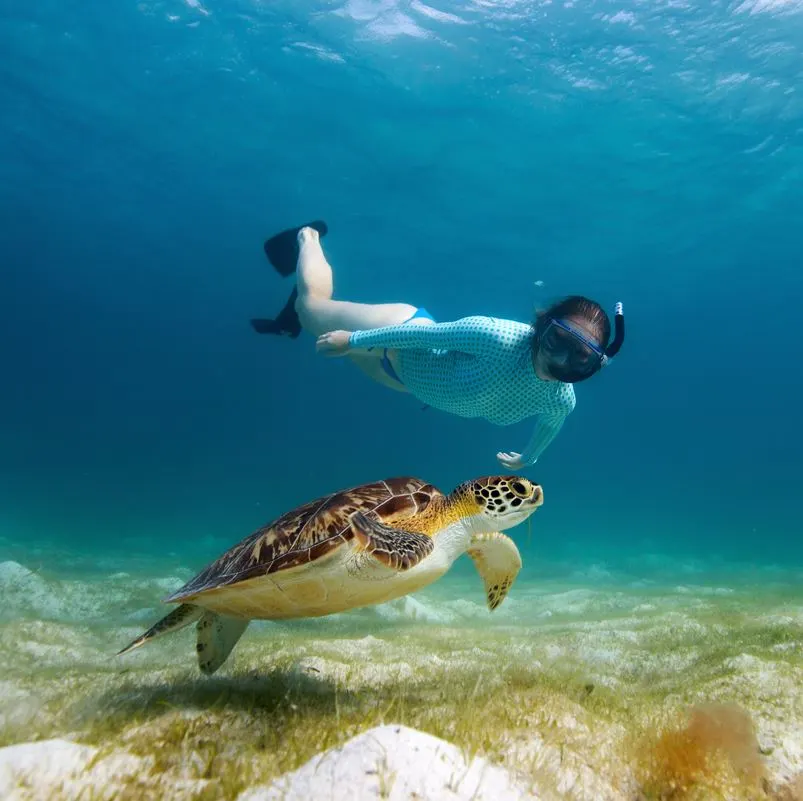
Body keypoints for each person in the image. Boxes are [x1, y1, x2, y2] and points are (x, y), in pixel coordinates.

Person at [251, 221, 625, 470]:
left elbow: (550, 425)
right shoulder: (496, 335)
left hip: (402, 380)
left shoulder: (560, 399)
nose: (559, 358)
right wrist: (354, 340)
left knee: (308, 320)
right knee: (312, 308)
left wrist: (530, 457)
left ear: (594, 364)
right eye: (558, 338)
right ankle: (307, 237)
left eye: (579, 354)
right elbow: (426, 336)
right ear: (541, 326)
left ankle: (292, 321)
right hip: (399, 330)